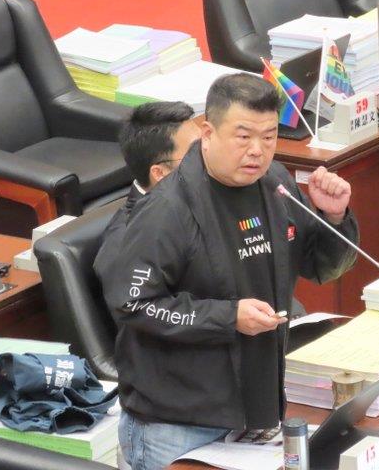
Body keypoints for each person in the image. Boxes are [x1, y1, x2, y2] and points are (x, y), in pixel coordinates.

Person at [102, 73, 359, 470]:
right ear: (208, 133)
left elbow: (323, 266)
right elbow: (133, 304)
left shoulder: (275, 185)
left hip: (254, 411)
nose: (258, 150)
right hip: (177, 424)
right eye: (243, 137)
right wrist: (228, 317)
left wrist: (334, 217)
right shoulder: (167, 210)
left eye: (269, 137)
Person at [93, 101, 200, 282]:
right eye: (195, 153)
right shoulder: (128, 245)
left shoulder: (202, 196)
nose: (208, 156)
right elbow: (137, 300)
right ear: (160, 173)